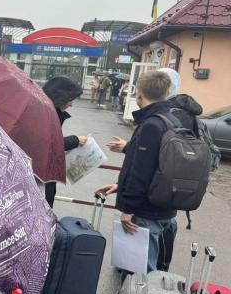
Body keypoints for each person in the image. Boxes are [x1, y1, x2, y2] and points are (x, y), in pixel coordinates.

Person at [95, 71, 176, 274]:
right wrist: (119, 186)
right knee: (146, 270)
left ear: (139, 94)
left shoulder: (151, 124)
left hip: (145, 211)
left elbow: (141, 172)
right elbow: (158, 164)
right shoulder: (172, 120)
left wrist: (128, 210)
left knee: (138, 273)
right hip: (166, 205)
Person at [42, 76, 87, 207]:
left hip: (45, 179)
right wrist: (75, 140)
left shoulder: (51, 111)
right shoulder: (47, 114)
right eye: (70, 99)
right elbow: (49, 144)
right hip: (40, 180)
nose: (72, 104)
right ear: (60, 96)